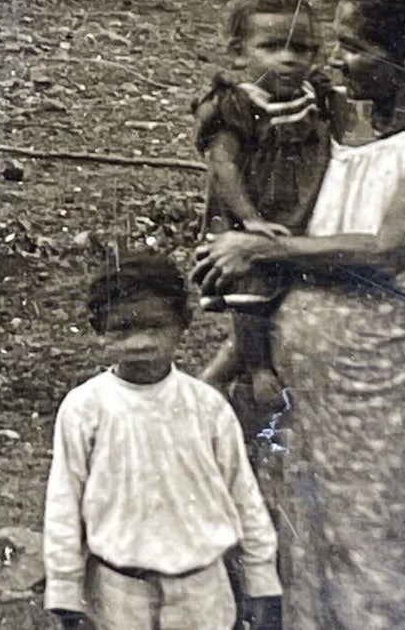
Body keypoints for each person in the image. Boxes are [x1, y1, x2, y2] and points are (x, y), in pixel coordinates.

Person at [195, 0, 405, 629]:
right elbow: (285, 262)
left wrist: (258, 246)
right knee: (298, 536)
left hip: (385, 381)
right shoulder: (331, 138)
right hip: (297, 380)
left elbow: (385, 251)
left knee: (384, 539)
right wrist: (226, 367)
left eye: (355, 45)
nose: (337, 60)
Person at [43, 254, 283, 630]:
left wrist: (262, 584)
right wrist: (65, 594)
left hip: (202, 591)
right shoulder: (85, 408)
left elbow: (244, 496)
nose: (140, 343)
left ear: (182, 324)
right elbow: (64, 504)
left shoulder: (206, 407)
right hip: (118, 592)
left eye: (155, 327)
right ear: (99, 329)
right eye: (123, 329)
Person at [193, 0, 334, 416]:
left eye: (302, 49)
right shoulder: (236, 105)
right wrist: (250, 220)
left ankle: (217, 376)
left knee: (288, 292)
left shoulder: (313, 96)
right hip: (250, 214)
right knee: (252, 290)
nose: (289, 60)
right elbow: (225, 168)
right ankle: (256, 370)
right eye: (272, 47)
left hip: (298, 208)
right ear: (239, 54)